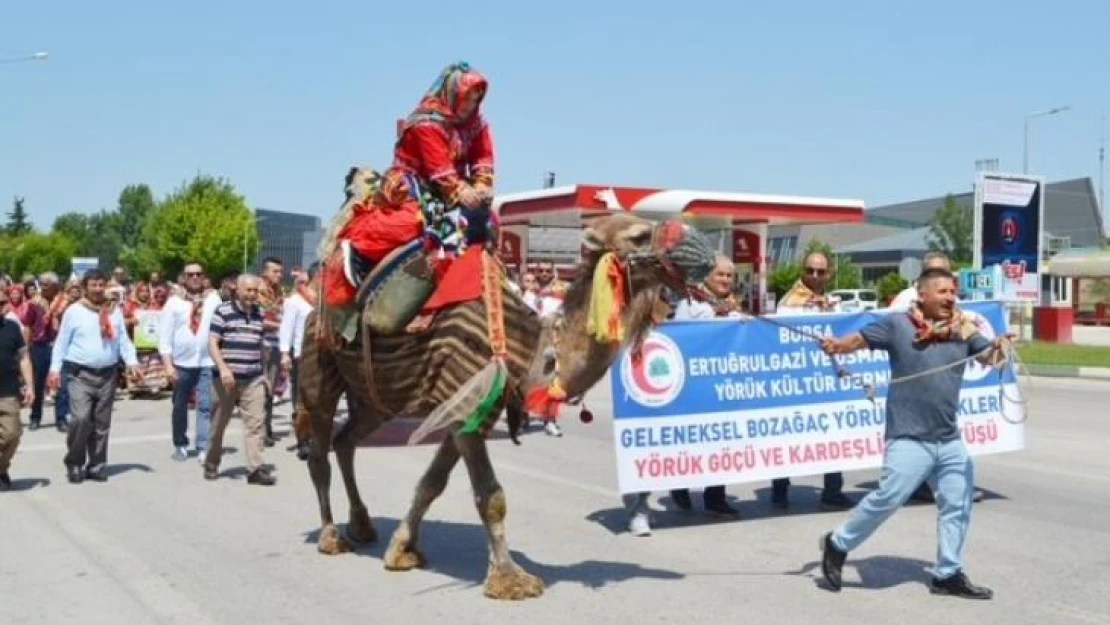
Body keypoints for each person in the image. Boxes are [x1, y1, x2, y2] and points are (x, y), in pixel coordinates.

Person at [816, 268, 1009, 599]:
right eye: (943, 292)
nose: (951, 298)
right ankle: (837, 543)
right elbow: (859, 340)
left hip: (948, 438)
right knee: (888, 498)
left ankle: (947, 573)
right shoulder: (897, 325)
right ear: (923, 294)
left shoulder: (964, 329)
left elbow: (990, 356)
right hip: (908, 435)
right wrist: (838, 346)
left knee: (958, 503)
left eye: (953, 292)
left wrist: (1001, 348)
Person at [323, 61, 495, 309]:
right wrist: (463, 191)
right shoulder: (426, 123)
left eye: (475, 99)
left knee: (488, 226)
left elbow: (483, 157)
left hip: (453, 188)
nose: (470, 105)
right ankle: (359, 252)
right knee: (410, 224)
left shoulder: (477, 124)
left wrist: (481, 184)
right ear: (452, 94)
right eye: (466, 98)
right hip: (413, 183)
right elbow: (439, 169)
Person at [772, 252, 854, 510]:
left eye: (820, 271)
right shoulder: (788, 302)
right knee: (788, 436)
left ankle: (832, 490)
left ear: (828, 273)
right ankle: (779, 491)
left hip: (827, 379)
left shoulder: (834, 302)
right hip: (797, 380)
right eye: (810, 270)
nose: (814, 276)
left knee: (833, 434)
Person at [48, 270, 140, 484]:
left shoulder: (113, 311)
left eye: (101, 285)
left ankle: (97, 465)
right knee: (80, 419)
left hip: (107, 374)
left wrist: (132, 362)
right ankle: (74, 462)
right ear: (85, 287)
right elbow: (61, 342)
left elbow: (123, 341)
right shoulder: (74, 311)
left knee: (101, 423)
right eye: (93, 285)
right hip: (79, 374)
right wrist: (54, 369)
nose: (98, 289)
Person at [205, 274, 274, 486]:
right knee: (218, 426)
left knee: (255, 425)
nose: (253, 295)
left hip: (252, 378)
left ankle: (255, 469)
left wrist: (265, 374)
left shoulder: (259, 313)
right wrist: (223, 369)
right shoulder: (223, 311)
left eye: (256, 291)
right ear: (238, 290)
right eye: (249, 290)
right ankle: (212, 462)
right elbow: (213, 342)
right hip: (226, 379)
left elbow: (260, 345)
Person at [159, 262, 222, 462]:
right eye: (190, 274)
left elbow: (220, 327)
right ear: (184, 278)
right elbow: (164, 336)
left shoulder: (213, 299)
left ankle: (203, 446)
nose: (195, 278)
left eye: (198, 274)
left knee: (205, 405)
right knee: (180, 405)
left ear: (204, 277)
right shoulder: (174, 302)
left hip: (205, 361)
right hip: (181, 362)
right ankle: (180, 444)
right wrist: (168, 364)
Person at [0, 291, 34, 490]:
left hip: (8, 391)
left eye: (2, 302)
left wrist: (30, 386)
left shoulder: (12, 328)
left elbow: (24, 358)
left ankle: (2, 468)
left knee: (12, 434)